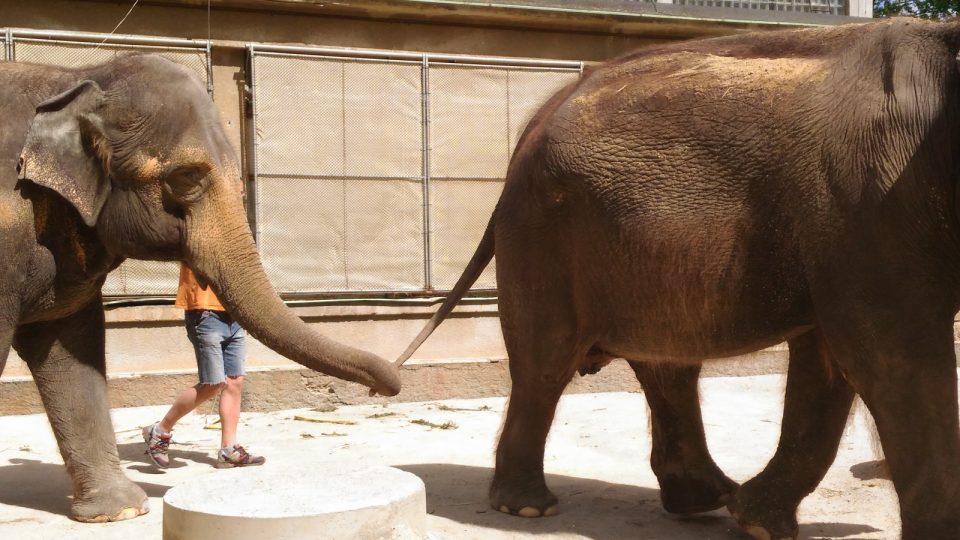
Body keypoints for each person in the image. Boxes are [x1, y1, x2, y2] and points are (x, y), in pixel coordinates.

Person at [142, 265, 265, 469]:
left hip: (235, 314)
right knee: (214, 383)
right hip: (205, 314)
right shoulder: (201, 233)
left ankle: (228, 449)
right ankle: (160, 430)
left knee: (234, 382)